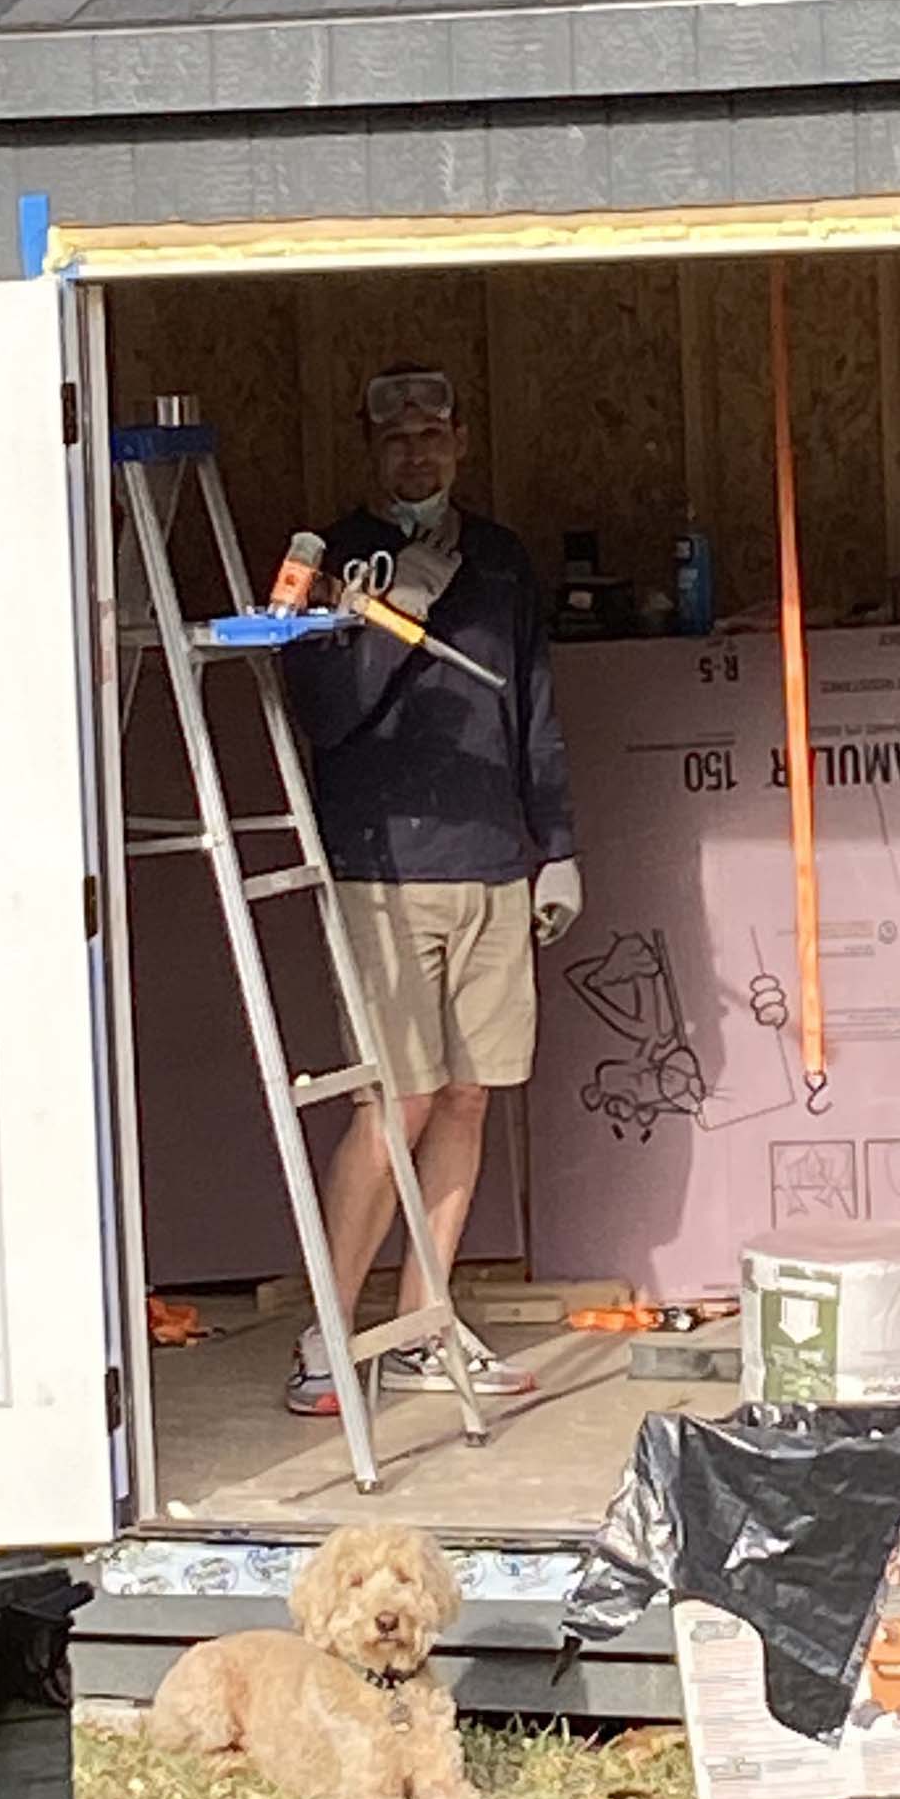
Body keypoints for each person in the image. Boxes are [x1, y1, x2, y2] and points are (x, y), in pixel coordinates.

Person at [281, 363, 581, 1411]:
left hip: (493, 858)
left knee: (467, 1094)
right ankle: (328, 1335)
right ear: (372, 449)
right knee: (395, 1100)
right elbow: (323, 712)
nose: (418, 452)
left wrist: (557, 844)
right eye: (397, 438)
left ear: (460, 440)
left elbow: (532, 707)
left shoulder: (499, 557)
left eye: (433, 434)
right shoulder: (331, 559)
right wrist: (390, 608)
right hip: (384, 866)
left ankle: (424, 1325)